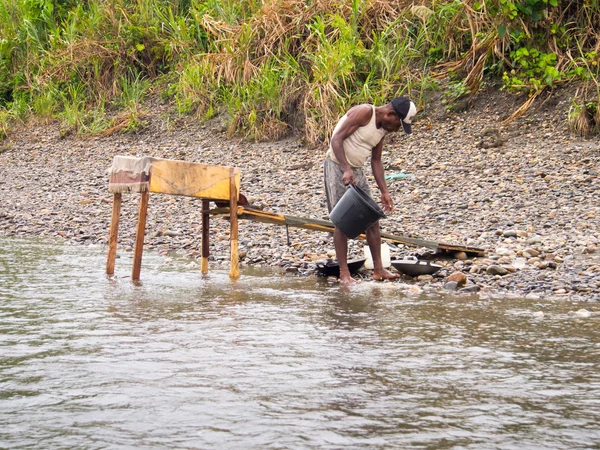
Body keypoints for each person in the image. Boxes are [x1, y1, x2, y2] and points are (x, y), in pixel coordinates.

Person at [324, 96, 417, 284]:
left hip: (356, 170)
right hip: (336, 166)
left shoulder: (382, 129)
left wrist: (384, 191)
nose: (397, 129)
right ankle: (344, 273)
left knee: (372, 217)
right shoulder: (365, 113)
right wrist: (346, 168)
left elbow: (376, 161)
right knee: (342, 220)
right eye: (399, 124)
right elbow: (336, 139)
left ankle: (379, 269)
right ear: (391, 113)